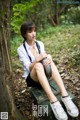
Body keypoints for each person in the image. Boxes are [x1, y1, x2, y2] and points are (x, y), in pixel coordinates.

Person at [17, 22, 79, 120]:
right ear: (24, 34)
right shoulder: (21, 49)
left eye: (34, 31)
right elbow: (28, 67)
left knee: (50, 62)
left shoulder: (40, 44)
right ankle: (53, 101)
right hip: (33, 79)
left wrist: (48, 57)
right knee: (37, 65)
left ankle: (65, 96)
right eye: (30, 32)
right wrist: (37, 59)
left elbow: (44, 59)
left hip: (44, 73)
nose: (33, 33)